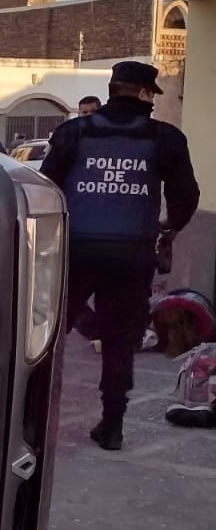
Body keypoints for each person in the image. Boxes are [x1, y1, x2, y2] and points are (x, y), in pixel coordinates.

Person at [41, 59, 200, 451]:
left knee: (47, 335)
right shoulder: (165, 138)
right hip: (131, 254)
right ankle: (111, 425)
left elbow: (44, 188)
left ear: (112, 89)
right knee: (119, 341)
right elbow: (187, 196)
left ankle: (31, 420)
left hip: (75, 249)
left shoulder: (73, 132)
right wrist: (169, 226)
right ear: (147, 95)